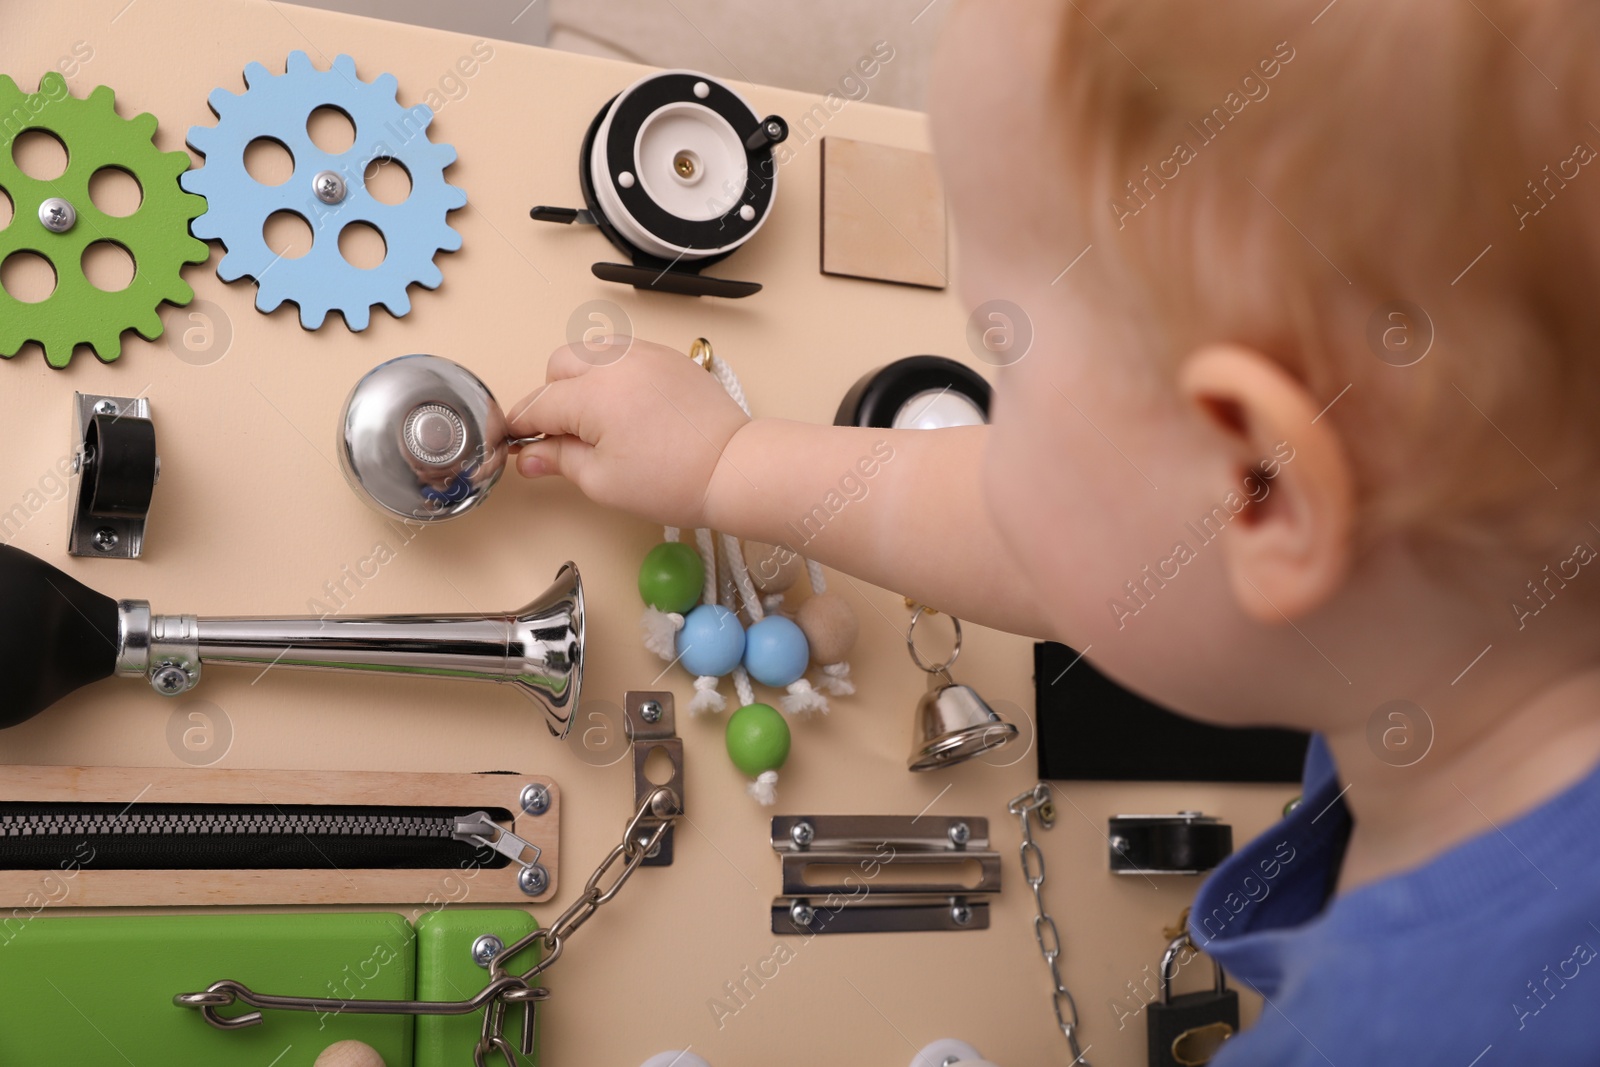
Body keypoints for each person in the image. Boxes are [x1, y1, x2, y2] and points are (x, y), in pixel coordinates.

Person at [510, 0, 1600, 1060]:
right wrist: (726, 462)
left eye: (1004, 358)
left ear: (1263, 489)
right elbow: (1114, 534)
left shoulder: (1395, 1038)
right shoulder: (1468, 628)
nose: (995, 422)